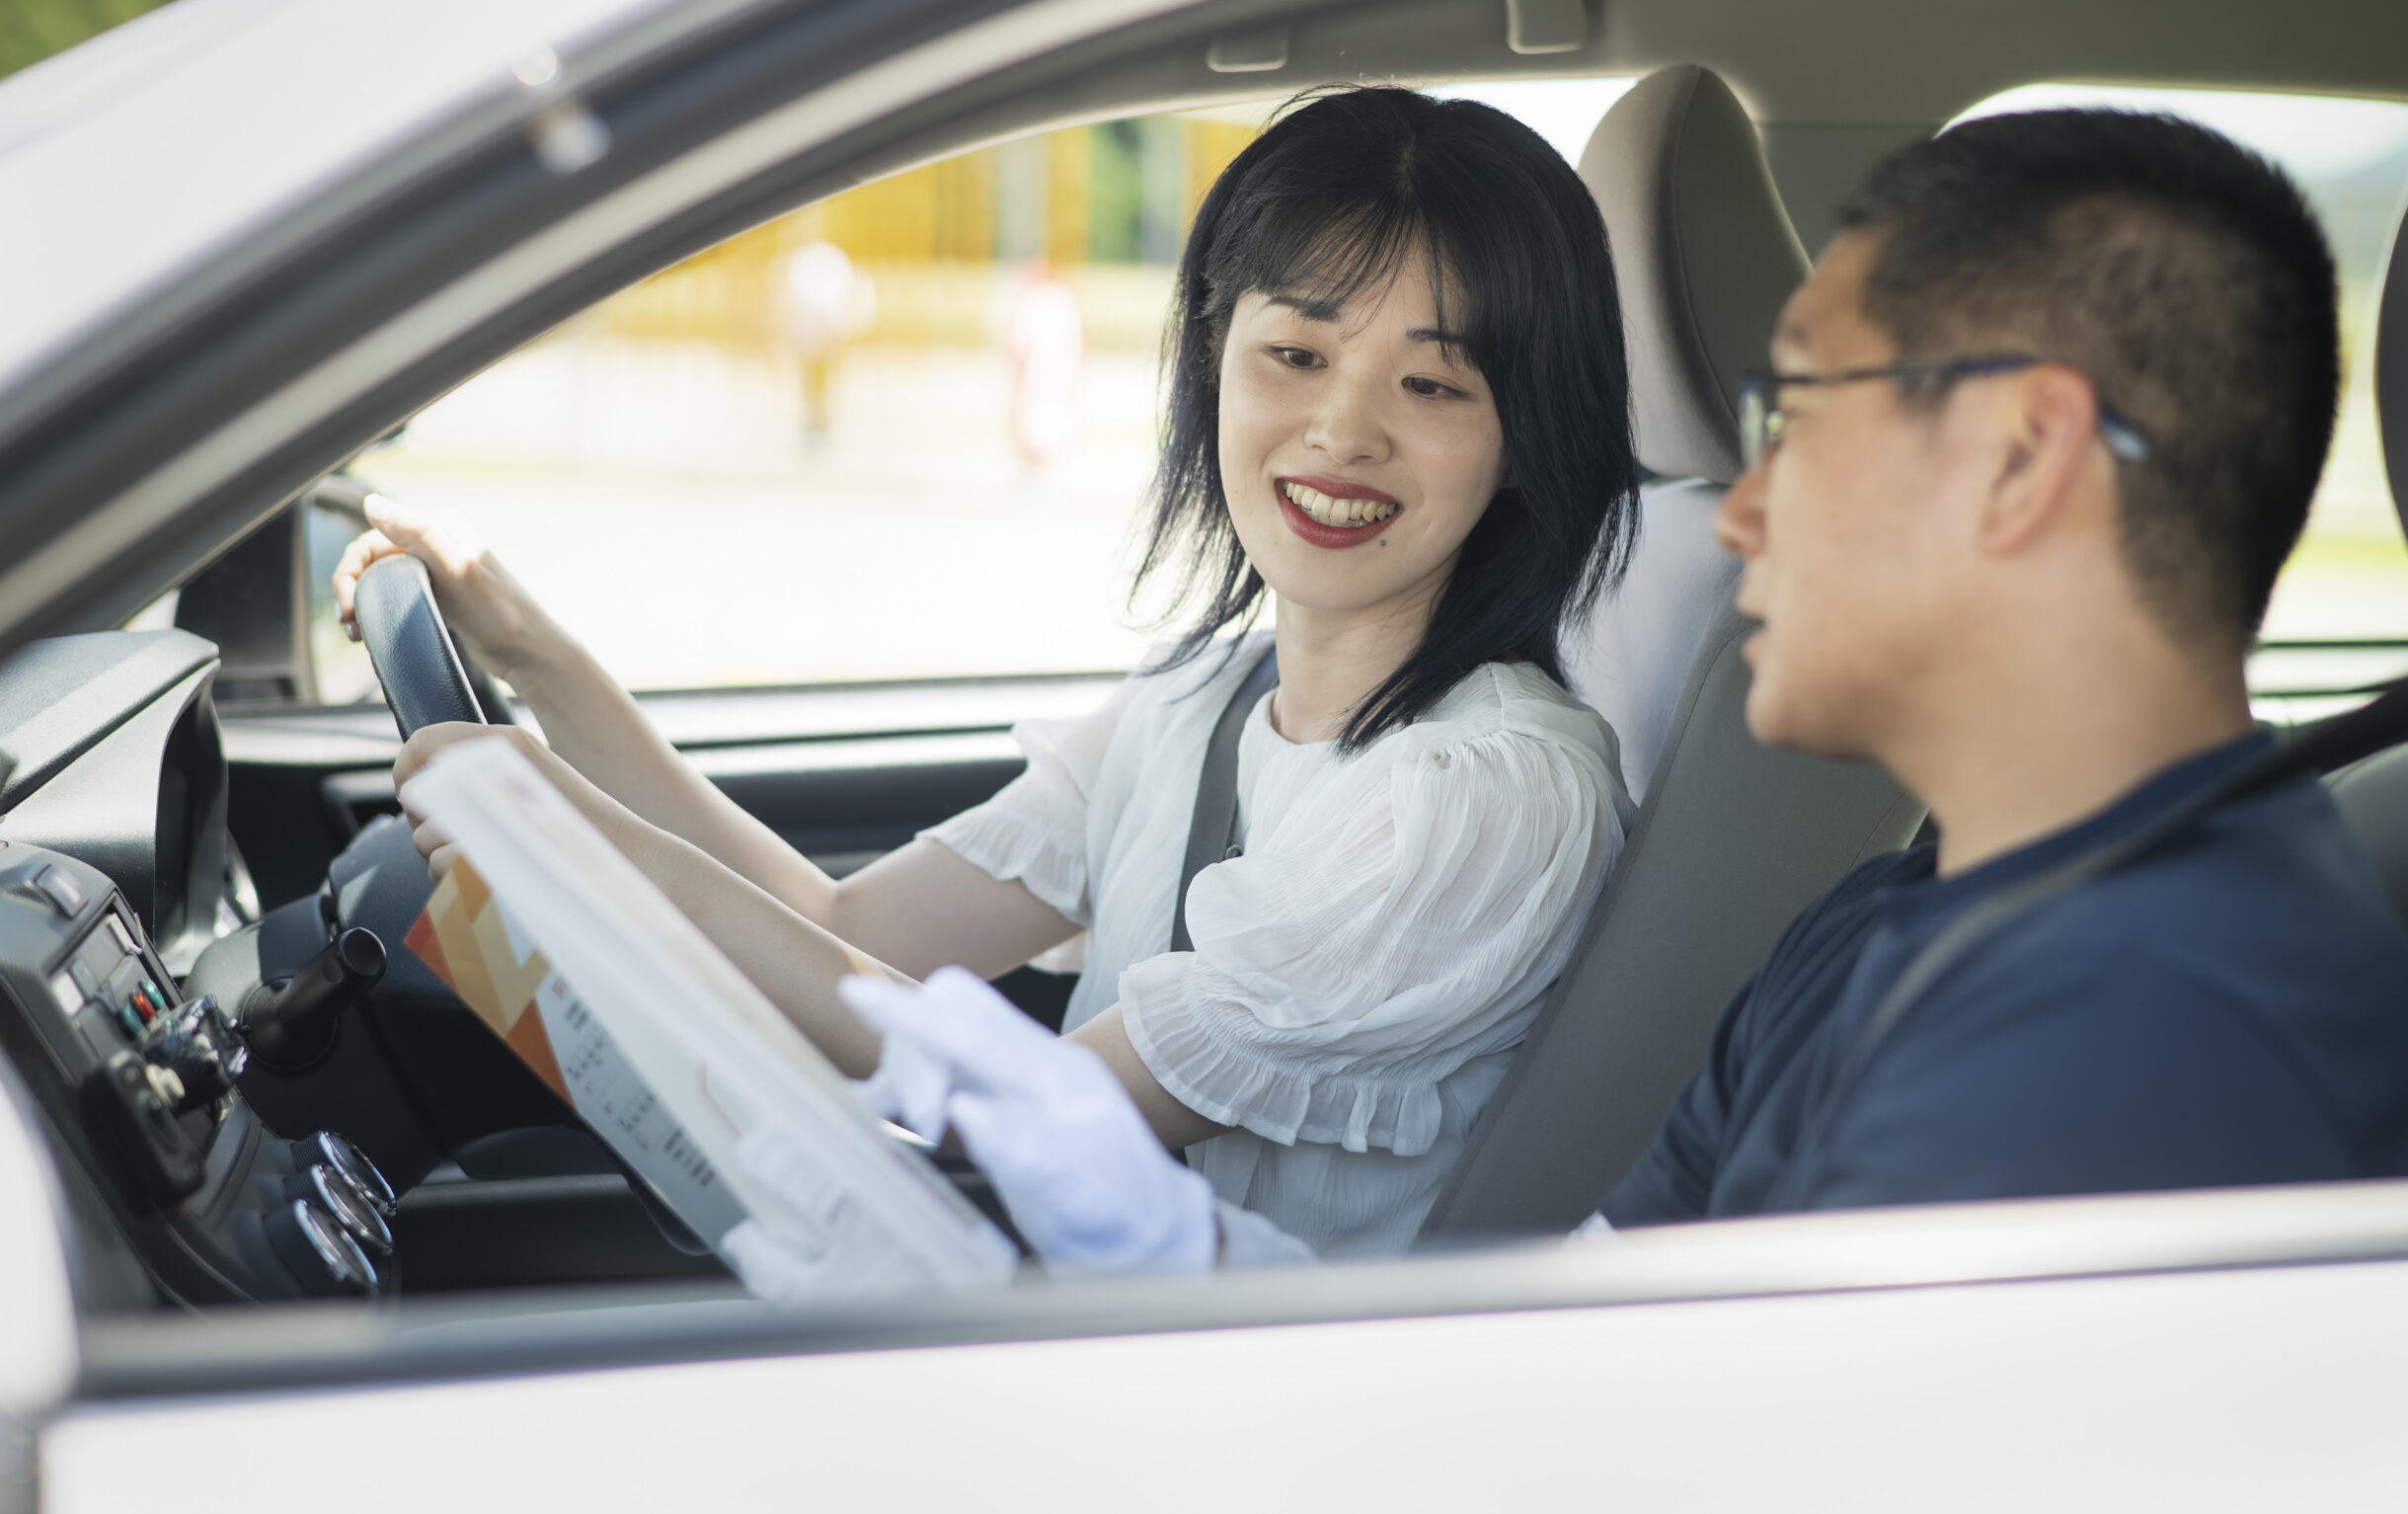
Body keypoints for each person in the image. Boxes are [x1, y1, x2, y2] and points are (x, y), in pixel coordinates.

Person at [845, 106, 2408, 1268]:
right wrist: (1195, 1261)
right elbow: (1592, 1349)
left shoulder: (2145, 1022)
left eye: (1800, 419)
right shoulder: (1891, 920)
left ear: (2019, 459)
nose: (1739, 514)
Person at [341, 87, 1640, 1257]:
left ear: (1524, 440)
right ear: (1212, 358)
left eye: (1431, 384)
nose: (1343, 430)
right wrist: (534, 659)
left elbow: (1041, 1121)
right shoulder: (1203, 698)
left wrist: (563, 833)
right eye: (1295, 356)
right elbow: (849, 935)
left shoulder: (1483, 794)